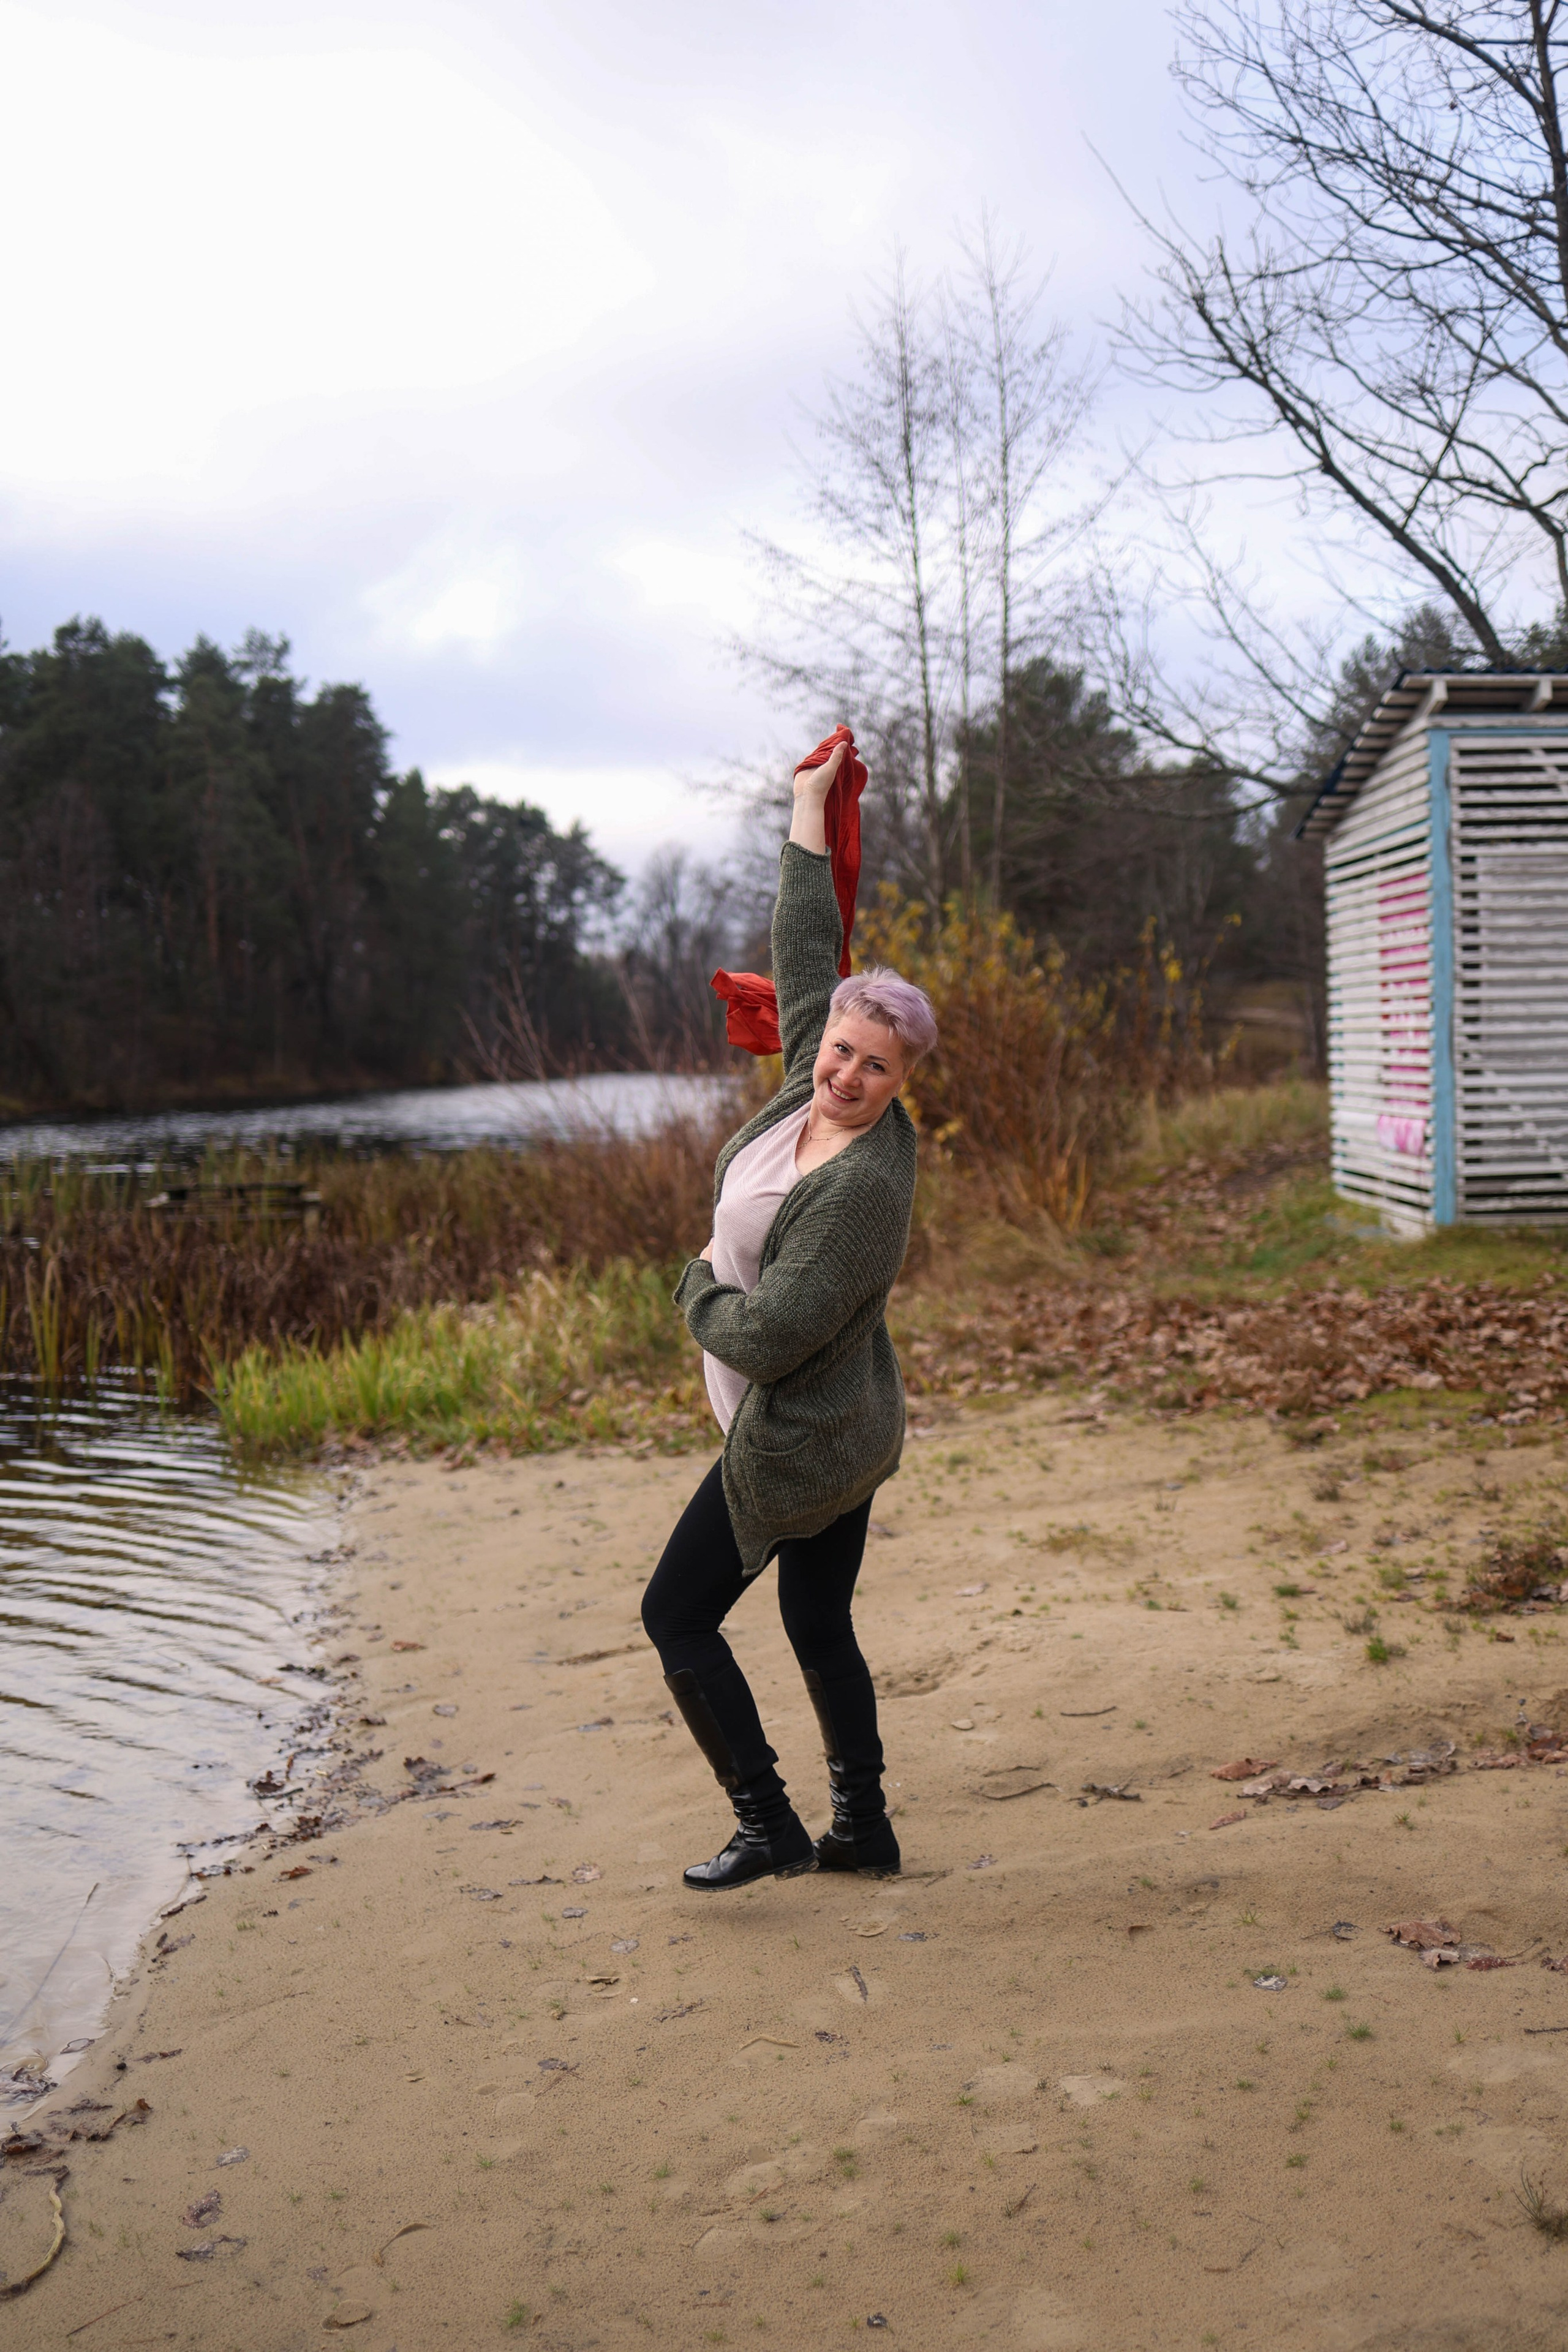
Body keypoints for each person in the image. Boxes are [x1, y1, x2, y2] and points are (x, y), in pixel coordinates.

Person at [640, 737, 938, 1891]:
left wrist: (694, 1287)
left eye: (874, 1065)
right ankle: (863, 1831)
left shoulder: (864, 1190)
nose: (845, 1073)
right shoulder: (801, 1092)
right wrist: (806, 807)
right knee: (819, 1624)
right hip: (841, 1417)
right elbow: (806, 943)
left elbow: (765, 1336)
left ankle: (768, 1822)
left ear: (903, 1082)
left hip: (807, 1436)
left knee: (676, 1613)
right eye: (838, 1049)